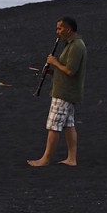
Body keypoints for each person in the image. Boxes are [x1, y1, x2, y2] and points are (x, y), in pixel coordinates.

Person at [28, 16, 87, 167]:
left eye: (59, 29)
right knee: (68, 124)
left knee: (53, 125)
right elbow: (65, 71)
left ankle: (45, 159)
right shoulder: (70, 44)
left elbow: (70, 71)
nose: (57, 32)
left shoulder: (76, 46)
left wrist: (54, 62)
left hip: (65, 93)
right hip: (66, 90)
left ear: (68, 29)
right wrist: (51, 72)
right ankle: (71, 159)